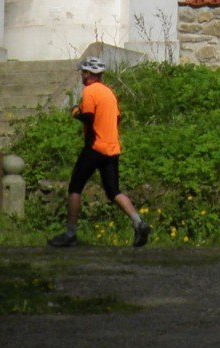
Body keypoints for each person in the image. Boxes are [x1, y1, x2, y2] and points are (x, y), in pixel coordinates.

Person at [47, 55, 150, 248]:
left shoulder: (90, 91)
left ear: (88, 74)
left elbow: (88, 117)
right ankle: (138, 222)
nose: (81, 76)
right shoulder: (109, 93)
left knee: (75, 187)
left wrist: (76, 112)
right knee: (113, 191)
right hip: (112, 147)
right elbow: (117, 119)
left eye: (83, 72)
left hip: (95, 146)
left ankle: (70, 233)